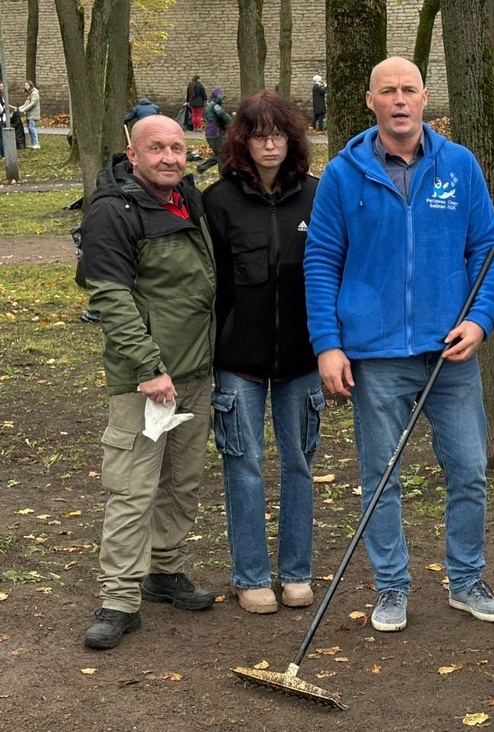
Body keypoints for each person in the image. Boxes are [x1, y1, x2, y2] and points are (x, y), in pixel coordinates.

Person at [304, 56, 494, 633]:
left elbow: (489, 247)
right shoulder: (344, 175)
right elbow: (321, 261)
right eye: (387, 91)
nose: (399, 100)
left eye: (409, 90)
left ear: (425, 99)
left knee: (468, 468)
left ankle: (466, 579)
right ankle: (392, 586)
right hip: (375, 355)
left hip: (450, 352)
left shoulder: (459, 166)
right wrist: (328, 344)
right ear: (370, 101)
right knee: (381, 476)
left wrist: (480, 319)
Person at [80, 116, 217, 650]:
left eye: (178, 147)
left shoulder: (189, 200)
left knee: (181, 482)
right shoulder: (114, 211)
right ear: (131, 154)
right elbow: (111, 298)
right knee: (133, 489)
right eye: (156, 148)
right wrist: (149, 369)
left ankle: (165, 570)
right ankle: (118, 599)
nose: (169, 157)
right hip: (146, 382)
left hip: (195, 374)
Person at [203, 91, 321, 615]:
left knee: (298, 463)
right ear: (242, 142)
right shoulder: (218, 202)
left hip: (303, 358)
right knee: (243, 464)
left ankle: (296, 573)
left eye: (278, 134)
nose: (269, 144)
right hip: (239, 360)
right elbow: (208, 284)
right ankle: (251, 574)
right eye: (258, 135)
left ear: (291, 140)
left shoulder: (318, 197)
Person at [198, 87, 232, 173]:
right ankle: (223, 175)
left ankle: (202, 167)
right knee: (222, 155)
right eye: (221, 97)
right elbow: (225, 117)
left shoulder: (208, 106)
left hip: (209, 133)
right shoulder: (215, 106)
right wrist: (231, 121)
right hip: (217, 133)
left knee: (218, 154)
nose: (222, 100)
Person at [19, 81, 40, 149]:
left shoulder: (34, 93)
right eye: (25, 85)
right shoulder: (29, 94)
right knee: (30, 129)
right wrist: (19, 108)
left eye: (27, 85)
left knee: (32, 128)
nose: (26, 86)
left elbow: (33, 104)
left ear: (31, 85)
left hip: (33, 114)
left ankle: (36, 143)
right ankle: (33, 143)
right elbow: (26, 104)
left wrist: (24, 109)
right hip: (29, 114)